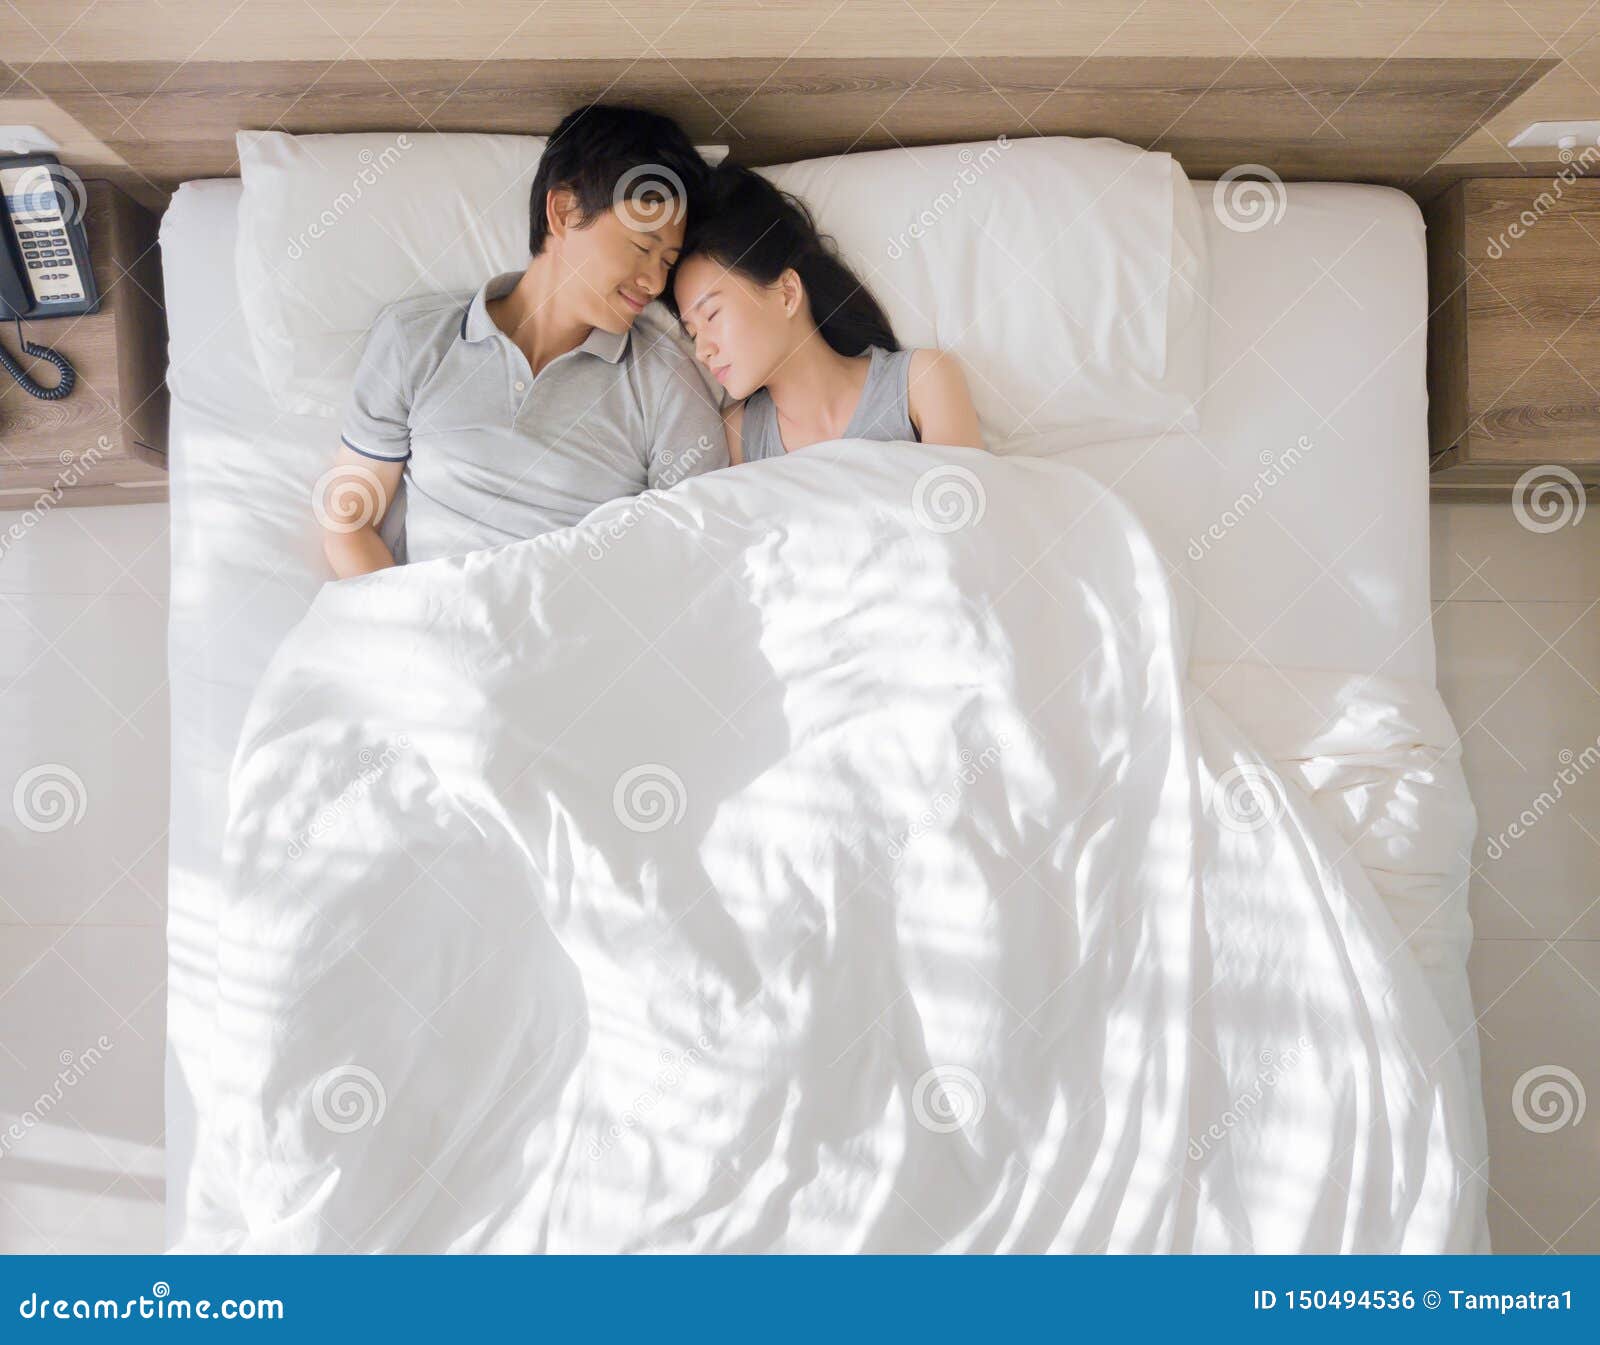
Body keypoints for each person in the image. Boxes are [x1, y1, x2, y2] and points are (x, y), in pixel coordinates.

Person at [319, 104, 729, 577]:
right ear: (564, 211)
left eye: (667, 261)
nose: (654, 283)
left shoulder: (665, 383)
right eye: (642, 248)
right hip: (420, 629)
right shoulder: (415, 340)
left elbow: (699, 559)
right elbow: (348, 524)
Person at [669, 163, 984, 463]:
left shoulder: (921, 382)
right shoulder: (736, 437)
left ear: (787, 294)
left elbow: (966, 511)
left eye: (711, 315)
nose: (701, 351)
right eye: (692, 332)